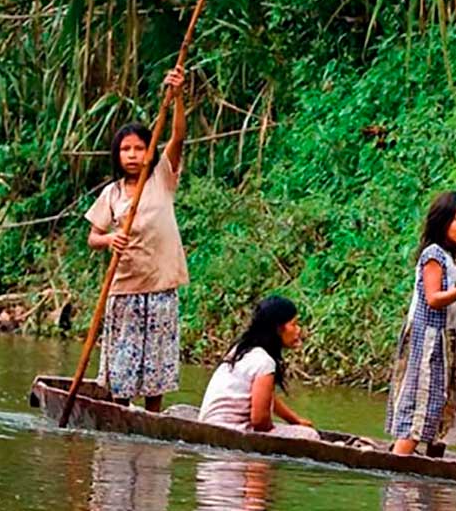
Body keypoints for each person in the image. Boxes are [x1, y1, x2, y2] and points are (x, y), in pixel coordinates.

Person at [84, 65, 189, 412]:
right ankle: (120, 412)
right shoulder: (112, 194)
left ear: (149, 152)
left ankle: (153, 417)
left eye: (139, 148)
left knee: (156, 362)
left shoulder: (161, 179)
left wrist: (177, 96)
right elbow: (93, 237)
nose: (132, 155)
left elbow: (178, 137)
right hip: (124, 290)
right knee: (123, 364)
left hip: (160, 287)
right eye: (126, 149)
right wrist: (110, 239)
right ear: (117, 155)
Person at [385, 191, 456, 456]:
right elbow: (433, 299)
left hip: (448, 340)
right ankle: (399, 460)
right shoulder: (434, 255)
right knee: (422, 405)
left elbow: (447, 300)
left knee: (442, 406)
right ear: (442, 221)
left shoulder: (452, 257)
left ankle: (432, 466)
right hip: (429, 342)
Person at [198, 296, 318, 440]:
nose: (298, 330)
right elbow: (260, 421)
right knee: (310, 435)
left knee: (299, 430)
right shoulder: (264, 362)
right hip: (230, 429)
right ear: (279, 329)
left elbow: (266, 397)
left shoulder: (241, 350)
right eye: (294, 324)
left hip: (210, 423)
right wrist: (274, 433)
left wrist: (295, 421)